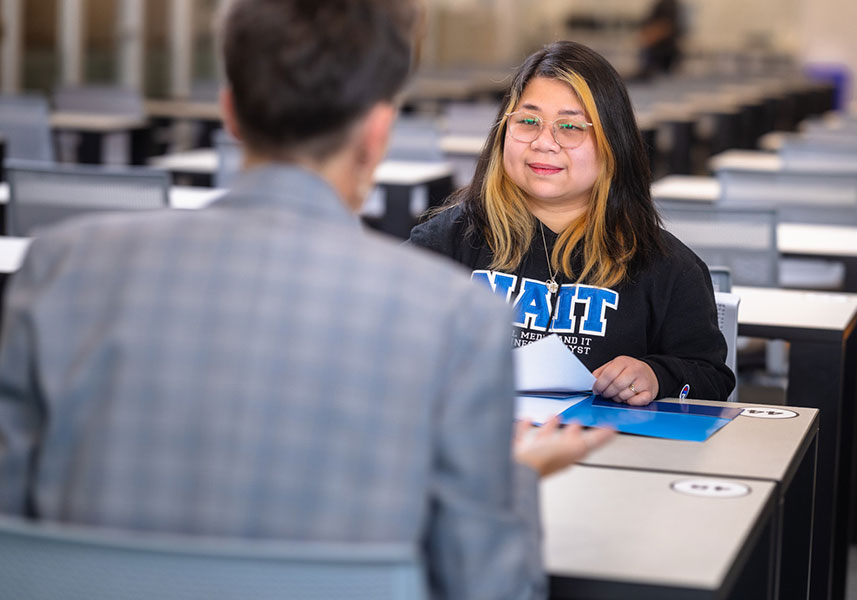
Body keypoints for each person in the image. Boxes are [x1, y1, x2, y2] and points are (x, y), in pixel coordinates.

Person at [0, 1, 612, 598]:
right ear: (377, 132)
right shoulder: (453, 316)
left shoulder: (59, 271)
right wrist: (515, 483)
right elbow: (489, 587)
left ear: (230, 113)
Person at [409, 41, 734, 406]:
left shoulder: (668, 268)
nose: (544, 142)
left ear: (613, 142)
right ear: (503, 132)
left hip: (603, 456)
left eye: (571, 127)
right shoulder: (441, 245)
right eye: (528, 121)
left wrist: (657, 376)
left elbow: (711, 380)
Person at [637, 0, 683, 79]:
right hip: (654, 58)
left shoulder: (669, 4)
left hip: (663, 56)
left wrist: (649, 37)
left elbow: (666, 26)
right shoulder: (659, 4)